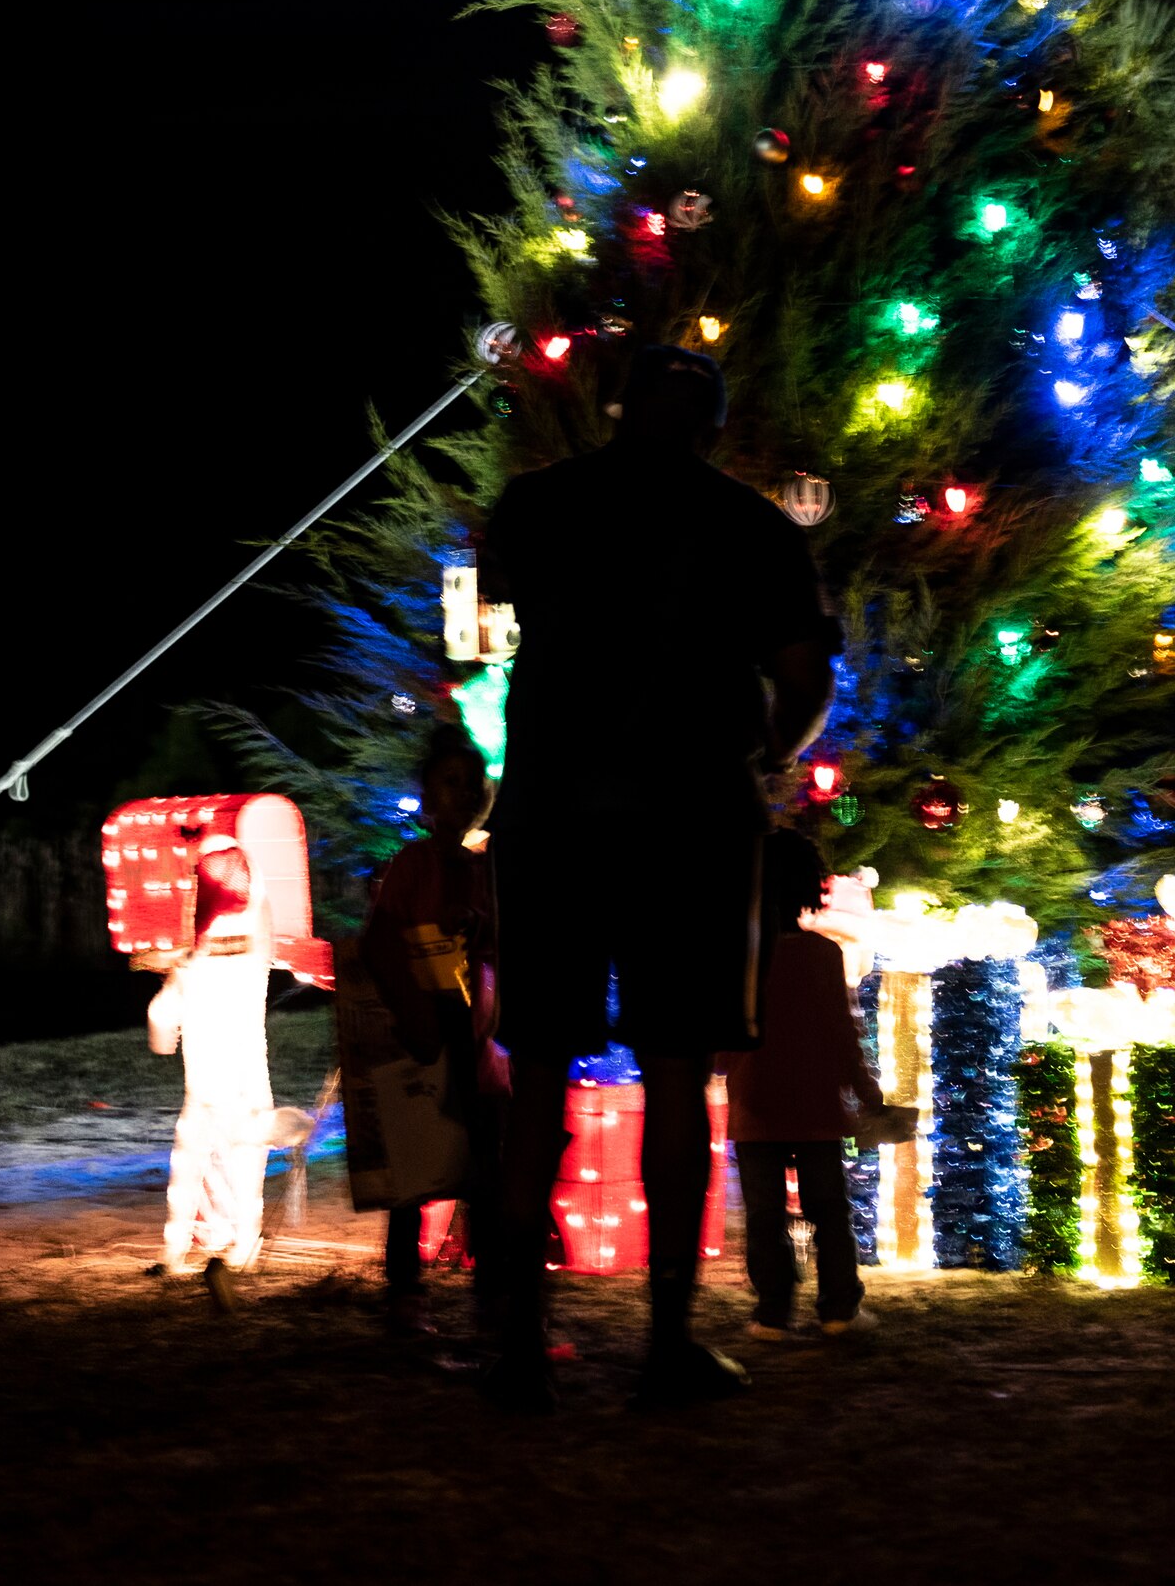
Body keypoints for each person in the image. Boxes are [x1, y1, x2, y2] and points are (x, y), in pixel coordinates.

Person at [484, 344, 838, 1409]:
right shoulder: (753, 527)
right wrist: (768, 751)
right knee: (679, 1069)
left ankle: (514, 1341)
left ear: (618, 405)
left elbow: (498, 602)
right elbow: (802, 673)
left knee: (538, 1072)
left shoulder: (537, 505)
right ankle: (667, 1339)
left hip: (550, 810)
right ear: (708, 424)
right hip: (688, 815)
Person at [357, 724, 507, 1334]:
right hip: (425, 1036)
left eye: (472, 785)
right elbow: (380, 944)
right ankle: (405, 1297)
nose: (465, 795)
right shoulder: (414, 865)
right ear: (427, 793)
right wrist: (414, 1018)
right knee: (415, 1176)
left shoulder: (483, 868)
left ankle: (492, 1298)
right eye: (452, 784)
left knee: (482, 1172)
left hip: (474, 1040)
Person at [725, 829, 882, 1340]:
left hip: (755, 1104)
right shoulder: (821, 955)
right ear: (811, 888)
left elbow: (726, 1039)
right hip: (815, 1105)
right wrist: (865, 1088)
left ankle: (773, 1312)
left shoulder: (743, 956)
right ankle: (838, 1309)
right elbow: (843, 1032)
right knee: (829, 1209)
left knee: (764, 1213)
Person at [148, 831, 280, 1303]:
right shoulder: (255, 948)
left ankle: (175, 1251)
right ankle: (243, 1247)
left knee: (188, 1169)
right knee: (246, 1171)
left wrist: (165, 1031)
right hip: (246, 1083)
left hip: (204, 1085)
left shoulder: (192, 957)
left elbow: (161, 1017)